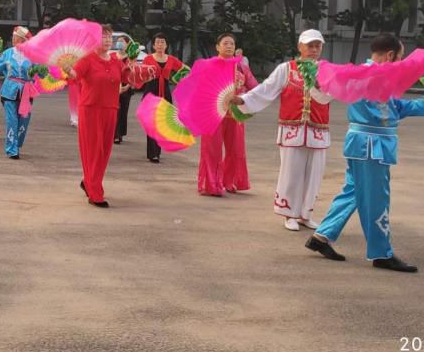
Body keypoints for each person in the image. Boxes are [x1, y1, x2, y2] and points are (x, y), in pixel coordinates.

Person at [306, 33, 424, 273]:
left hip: (363, 144)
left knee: (354, 191)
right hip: (371, 146)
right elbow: (394, 109)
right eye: (400, 57)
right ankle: (380, 253)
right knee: (377, 198)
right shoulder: (364, 75)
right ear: (389, 55)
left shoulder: (368, 75)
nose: (400, 62)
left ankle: (322, 236)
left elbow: (397, 107)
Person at [232, 29, 333, 230]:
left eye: (317, 46)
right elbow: (266, 90)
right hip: (292, 129)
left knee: (314, 174)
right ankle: (288, 214)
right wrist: (243, 99)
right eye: (309, 46)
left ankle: (306, 213)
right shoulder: (286, 69)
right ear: (299, 47)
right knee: (291, 173)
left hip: (318, 130)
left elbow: (332, 93)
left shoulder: (327, 70)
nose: (314, 50)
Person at [63, 25, 125, 208]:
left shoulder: (116, 61)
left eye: (109, 37)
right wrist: (68, 69)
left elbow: (127, 78)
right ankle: (95, 192)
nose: (107, 40)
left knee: (104, 152)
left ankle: (88, 181)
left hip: (111, 110)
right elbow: (75, 74)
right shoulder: (87, 59)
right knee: (93, 151)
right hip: (90, 110)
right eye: (103, 37)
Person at [197, 33, 259, 196]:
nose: (229, 46)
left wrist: (244, 97)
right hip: (213, 114)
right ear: (217, 47)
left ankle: (230, 181)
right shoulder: (209, 65)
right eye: (225, 43)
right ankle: (211, 184)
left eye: (232, 43)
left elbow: (254, 87)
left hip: (236, 115)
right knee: (212, 150)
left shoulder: (241, 67)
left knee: (236, 149)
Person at [0, 26, 37, 160]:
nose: (13, 39)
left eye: (15, 37)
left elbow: (42, 71)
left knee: (23, 122)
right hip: (9, 91)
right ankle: (12, 149)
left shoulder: (33, 55)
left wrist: (39, 71)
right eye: (13, 36)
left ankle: (17, 142)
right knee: (12, 120)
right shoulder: (8, 53)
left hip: (26, 92)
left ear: (22, 39)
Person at [142, 33, 184, 163]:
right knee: (151, 123)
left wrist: (179, 80)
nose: (160, 44)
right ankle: (152, 153)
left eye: (162, 42)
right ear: (154, 45)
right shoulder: (148, 59)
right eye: (158, 42)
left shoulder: (171, 59)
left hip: (165, 93)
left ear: (166, 45)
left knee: (161, 124)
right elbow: (142, 75)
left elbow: (184, 69)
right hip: (151, 91)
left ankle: (157, 151)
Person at [113, 35, 135, 144]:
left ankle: (120, 133)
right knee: (115, 110)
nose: (119, 43)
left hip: (126, 86)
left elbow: (134, 73)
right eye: (118, 41)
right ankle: (115, 135)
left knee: (123, 112)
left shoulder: (131, 57)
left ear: (127, 44)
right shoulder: (112, 56)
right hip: (114, 87)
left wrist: (127, 86)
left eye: (122, 41)